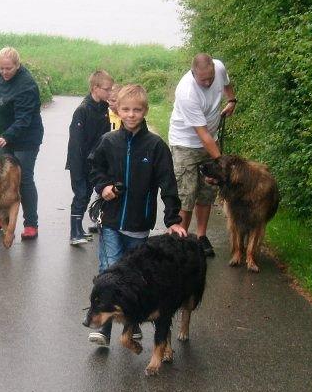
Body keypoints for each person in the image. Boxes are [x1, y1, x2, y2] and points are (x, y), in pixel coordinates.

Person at [86, 84, 186, 346]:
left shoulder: (155, 146)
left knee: (134, 277)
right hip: (111, 220)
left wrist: (173, 220)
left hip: (139, 224)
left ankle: (133, 322)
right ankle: (104, 329)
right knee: (109, 271)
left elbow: (168, 184)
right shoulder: (108, 141)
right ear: (117, 110)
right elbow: (95, 168)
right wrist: (103, 187)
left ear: (145, 111)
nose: (131, 115)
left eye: (137, 110)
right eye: (126, 109)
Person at [168, 53, 237, 257]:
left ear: (214, 69)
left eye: (210, 78)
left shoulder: (219, 67)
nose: (207, 83)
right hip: (185, 144)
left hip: (210, 140)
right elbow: (203, 135)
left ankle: (201, 237)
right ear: (193, 73)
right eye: (202, 79)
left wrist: (232, 100)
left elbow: (227, 85)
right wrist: (222, 163)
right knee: (187, 194)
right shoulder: (187, 92)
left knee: (207, 191)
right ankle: (180, 242)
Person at [0, 47, 44, 239]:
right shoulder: (2, 74)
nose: (4, 72)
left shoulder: (27, 86)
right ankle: (2, 218)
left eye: (8, 68)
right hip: (6, 137)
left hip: (26, 139)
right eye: (1, 68)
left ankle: (31, 224)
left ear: (18, 65)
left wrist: (7, 136)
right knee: (1, 178)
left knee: (23, 179)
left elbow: (24, 119)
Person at [65, 70, 113, 245]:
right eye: (107, 89)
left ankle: (80, 230)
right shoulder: (83, 110)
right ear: (95, 88)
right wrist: (77, 165)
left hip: (94, 162)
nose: (110, 93)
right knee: (80, 194)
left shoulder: (104, 108)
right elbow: (76, 142)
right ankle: (74, 232)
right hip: (79, 162)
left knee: (86, 195)